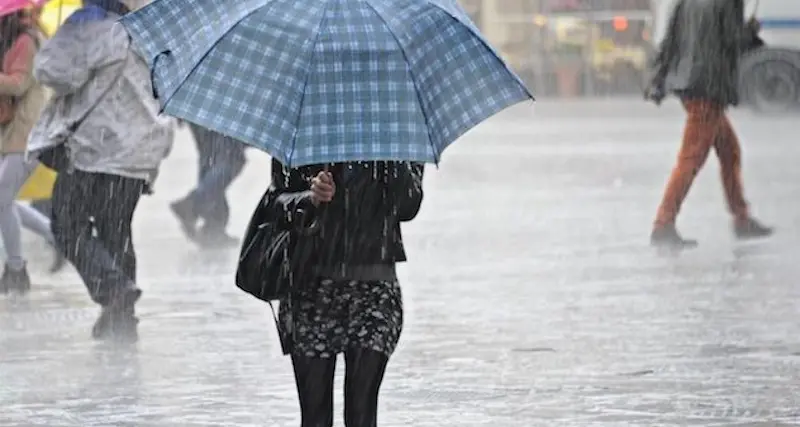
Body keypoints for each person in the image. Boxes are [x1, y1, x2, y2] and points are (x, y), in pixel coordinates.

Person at [28, 0, 173, 340]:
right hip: (140, 151)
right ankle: (122, 318)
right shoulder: (147, 32)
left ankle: (114, 289)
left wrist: (66, 39)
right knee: (117, 230)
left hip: (97, 149)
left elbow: (53, 73)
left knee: (66, 223)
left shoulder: (88, 25)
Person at [270, 159, 423, 427]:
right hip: (310, 290)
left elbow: (408, 205)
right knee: (315, 417)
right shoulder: (307, 131)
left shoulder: (398, 132)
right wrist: (310, 197)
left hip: (374, 291)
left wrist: (388, 154)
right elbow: (277, 202)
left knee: (362, 414)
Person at [645, 0, 772, 249]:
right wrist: (751, 31)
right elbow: (731, 42)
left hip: (689, 85)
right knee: (691, 159)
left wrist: (658, 78)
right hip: (708, 90)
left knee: (729, 151)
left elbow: (670, 40)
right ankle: (663, 223)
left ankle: (741, 217)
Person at [0, 10, 51, 293]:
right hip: (11, 132)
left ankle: (16, 269)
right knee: (4, 200)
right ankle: (58, 236)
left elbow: (18, 84)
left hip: (27, 131)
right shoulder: (8, 39)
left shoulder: (25, 41)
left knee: (2, 199)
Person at [170, 122, 246, 248]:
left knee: (210, 158)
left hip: (202, 111)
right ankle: (194, 204)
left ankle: (213, 227)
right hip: (220, 113)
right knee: (230, 158)